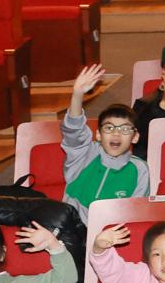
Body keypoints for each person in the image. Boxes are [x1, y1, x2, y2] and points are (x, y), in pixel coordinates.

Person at [61, 64, 148, 219]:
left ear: (135, 137)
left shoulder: (139, 169)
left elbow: (135, 212)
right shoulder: (84, 154)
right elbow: (74, 131)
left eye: (125, 129)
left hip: (110, 229)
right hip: (70, 227)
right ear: (98, 134)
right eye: (109, 128)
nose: (116, 133)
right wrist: (77, 95)